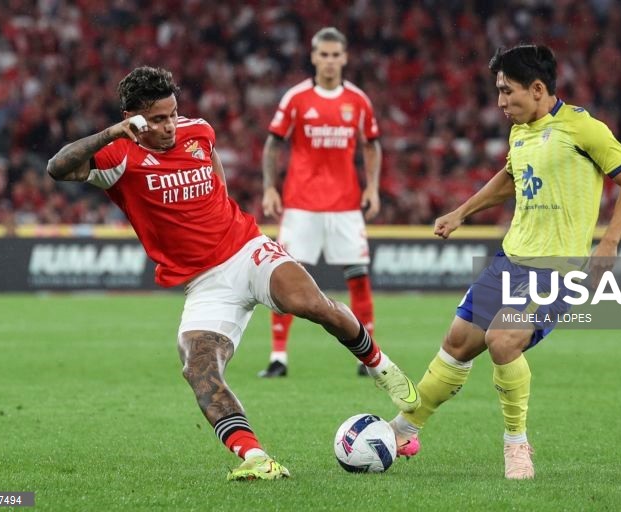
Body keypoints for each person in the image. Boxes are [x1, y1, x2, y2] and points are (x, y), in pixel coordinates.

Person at [46, 66, 420, 481]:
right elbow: (57, 168)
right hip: (205, 283)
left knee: (309, 303)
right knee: (198, 369)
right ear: (131, 118)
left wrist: (222, 211)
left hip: (246, 249)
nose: (170, 125)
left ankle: (380, 367)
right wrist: (112, 134)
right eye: (157, 119)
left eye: (172, 114)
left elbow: (213, 167)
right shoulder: (116, 156)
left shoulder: (198, 131)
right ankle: (256, 457)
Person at [388, 45, 621, 479]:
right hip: (510, 260)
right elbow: (510, 178)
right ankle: (405, 428)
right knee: (458, 342)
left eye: (507, 91)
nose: (501, 102)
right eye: (499, 92)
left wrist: (610, 240)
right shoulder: (520, 132)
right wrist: (461, 212)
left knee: (503, 339)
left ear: (538, 88)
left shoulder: (584, 128)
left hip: (557, 269)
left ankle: (516, 444)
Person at [258, 27, 381, 378]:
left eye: (335, 55)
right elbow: (273, 144)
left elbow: (372, 144)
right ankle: (278, 357)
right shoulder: (296, 98)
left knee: (358, 278)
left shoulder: (357, 100)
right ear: (313, 57)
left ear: (344, 58)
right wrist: (270, 188)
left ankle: (367, 358)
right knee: (285, 280)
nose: (329, 61)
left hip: (345, 205)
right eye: (323, 55)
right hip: (301, 205)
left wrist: (372, 187)